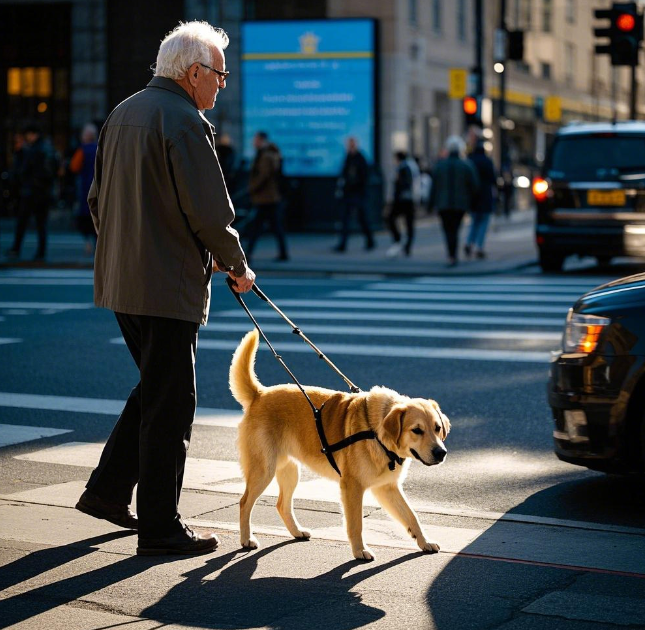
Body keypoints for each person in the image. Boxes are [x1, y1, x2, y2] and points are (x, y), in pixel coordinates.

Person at [76, 21, 256, 557]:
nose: (222, 84)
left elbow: (95, 201)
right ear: (194, 72)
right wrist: (235, 264)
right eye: (220, 74)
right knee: (173, 403)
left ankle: (108, 492)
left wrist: (124, 250)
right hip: (166, 285)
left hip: (122, 281)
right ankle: (160, 527)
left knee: (156, 388)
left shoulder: (122, 112)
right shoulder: (184, 120)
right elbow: (208, 211)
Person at [5, 124, 59, 261]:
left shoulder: (33, 150)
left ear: (32, 134)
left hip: (31, 191)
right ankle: (41, 252)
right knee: (41, 224)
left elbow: (23, 170)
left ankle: (16, 249)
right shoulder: (47, 148)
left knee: (22, 222)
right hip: (43, 192)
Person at [428, 136, 479, 267]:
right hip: (460, 204)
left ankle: (451, 255)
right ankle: (453, 255)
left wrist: (430, 204)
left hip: (443, 203)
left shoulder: (440, 165)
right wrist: (472, 202)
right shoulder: (466, 165)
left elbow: (434, 187)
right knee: (455, 229)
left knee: (447, 229)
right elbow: (474, 185)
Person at [244, 131, 289, 262]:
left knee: (258, 227)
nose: (253, 142)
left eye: (256, 139)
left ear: (261, 140)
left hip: (266, 198)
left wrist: (251, 188)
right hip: (269, 197)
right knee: (272, 226)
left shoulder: (265, 156)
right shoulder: (269, 154)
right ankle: (282, 253)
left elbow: (263, 176)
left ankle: (249, 254)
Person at [333, 137, 374, 252]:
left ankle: (370, 240)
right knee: (346, 219)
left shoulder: (360, 158)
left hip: (358, 193)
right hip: (349, 194)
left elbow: (364, 177)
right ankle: (343, 244)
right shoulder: (348, 158)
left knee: (362, 218)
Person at [465, 131, 497, 259]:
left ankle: (469, 242)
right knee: (483, 222)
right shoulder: (487, 162)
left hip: (473, 196)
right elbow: (493, 179)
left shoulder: (470, 161)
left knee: (474, 221)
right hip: (485, 195)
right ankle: (479, 246)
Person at [69, 123, 99, 255]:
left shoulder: (82, 150)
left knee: (85, 217)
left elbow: (74, 167)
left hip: (85, 187)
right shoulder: (100, 148)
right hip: (99, 186)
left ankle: (88, 242)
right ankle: (97, 242)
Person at [386, 151, 418, 257]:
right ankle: (406, 246)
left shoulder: (404, 168)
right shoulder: (406, 167)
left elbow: (404, 184)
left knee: (394, 219)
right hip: (407, 200)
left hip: (403, 201)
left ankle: (402, 242)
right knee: (408, 223)